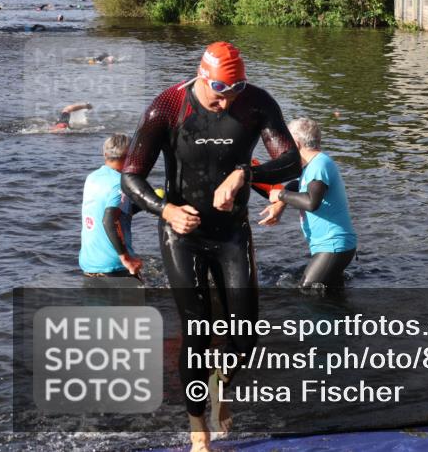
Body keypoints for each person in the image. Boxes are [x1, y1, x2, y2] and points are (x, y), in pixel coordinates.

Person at [121, 41, 300, 452]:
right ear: (202, 76)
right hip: (182, 233)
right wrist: (165, 211)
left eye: (234, 90)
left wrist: (244, 173)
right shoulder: (168, 106)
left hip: (232, 231)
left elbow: (291, 161)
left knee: (246, 336)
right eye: (220, 90)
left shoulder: (255, 104)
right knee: (198, 330)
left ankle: (219, 387)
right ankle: (196, 424)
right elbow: (130, 178)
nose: (225, 100)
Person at [260, 117, 357, 288]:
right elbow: (299, 185)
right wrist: (280, 204)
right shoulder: (311, 165)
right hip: (329, 245)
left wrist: (281, 195)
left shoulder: (319, 164)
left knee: (307, 291)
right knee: (331, 297)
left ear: (296, 144)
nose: (284, 149)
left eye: (287, 144)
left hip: (333, 246)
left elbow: (312, 202)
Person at [81, 134, 143, 278]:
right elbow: (109, 220)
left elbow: (117, 213)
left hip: (89, 264)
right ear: (130, 156)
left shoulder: (92, 178)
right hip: (114, 267)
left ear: (105, 153)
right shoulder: (119, 183)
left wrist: (148, 205)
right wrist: (126, 259)